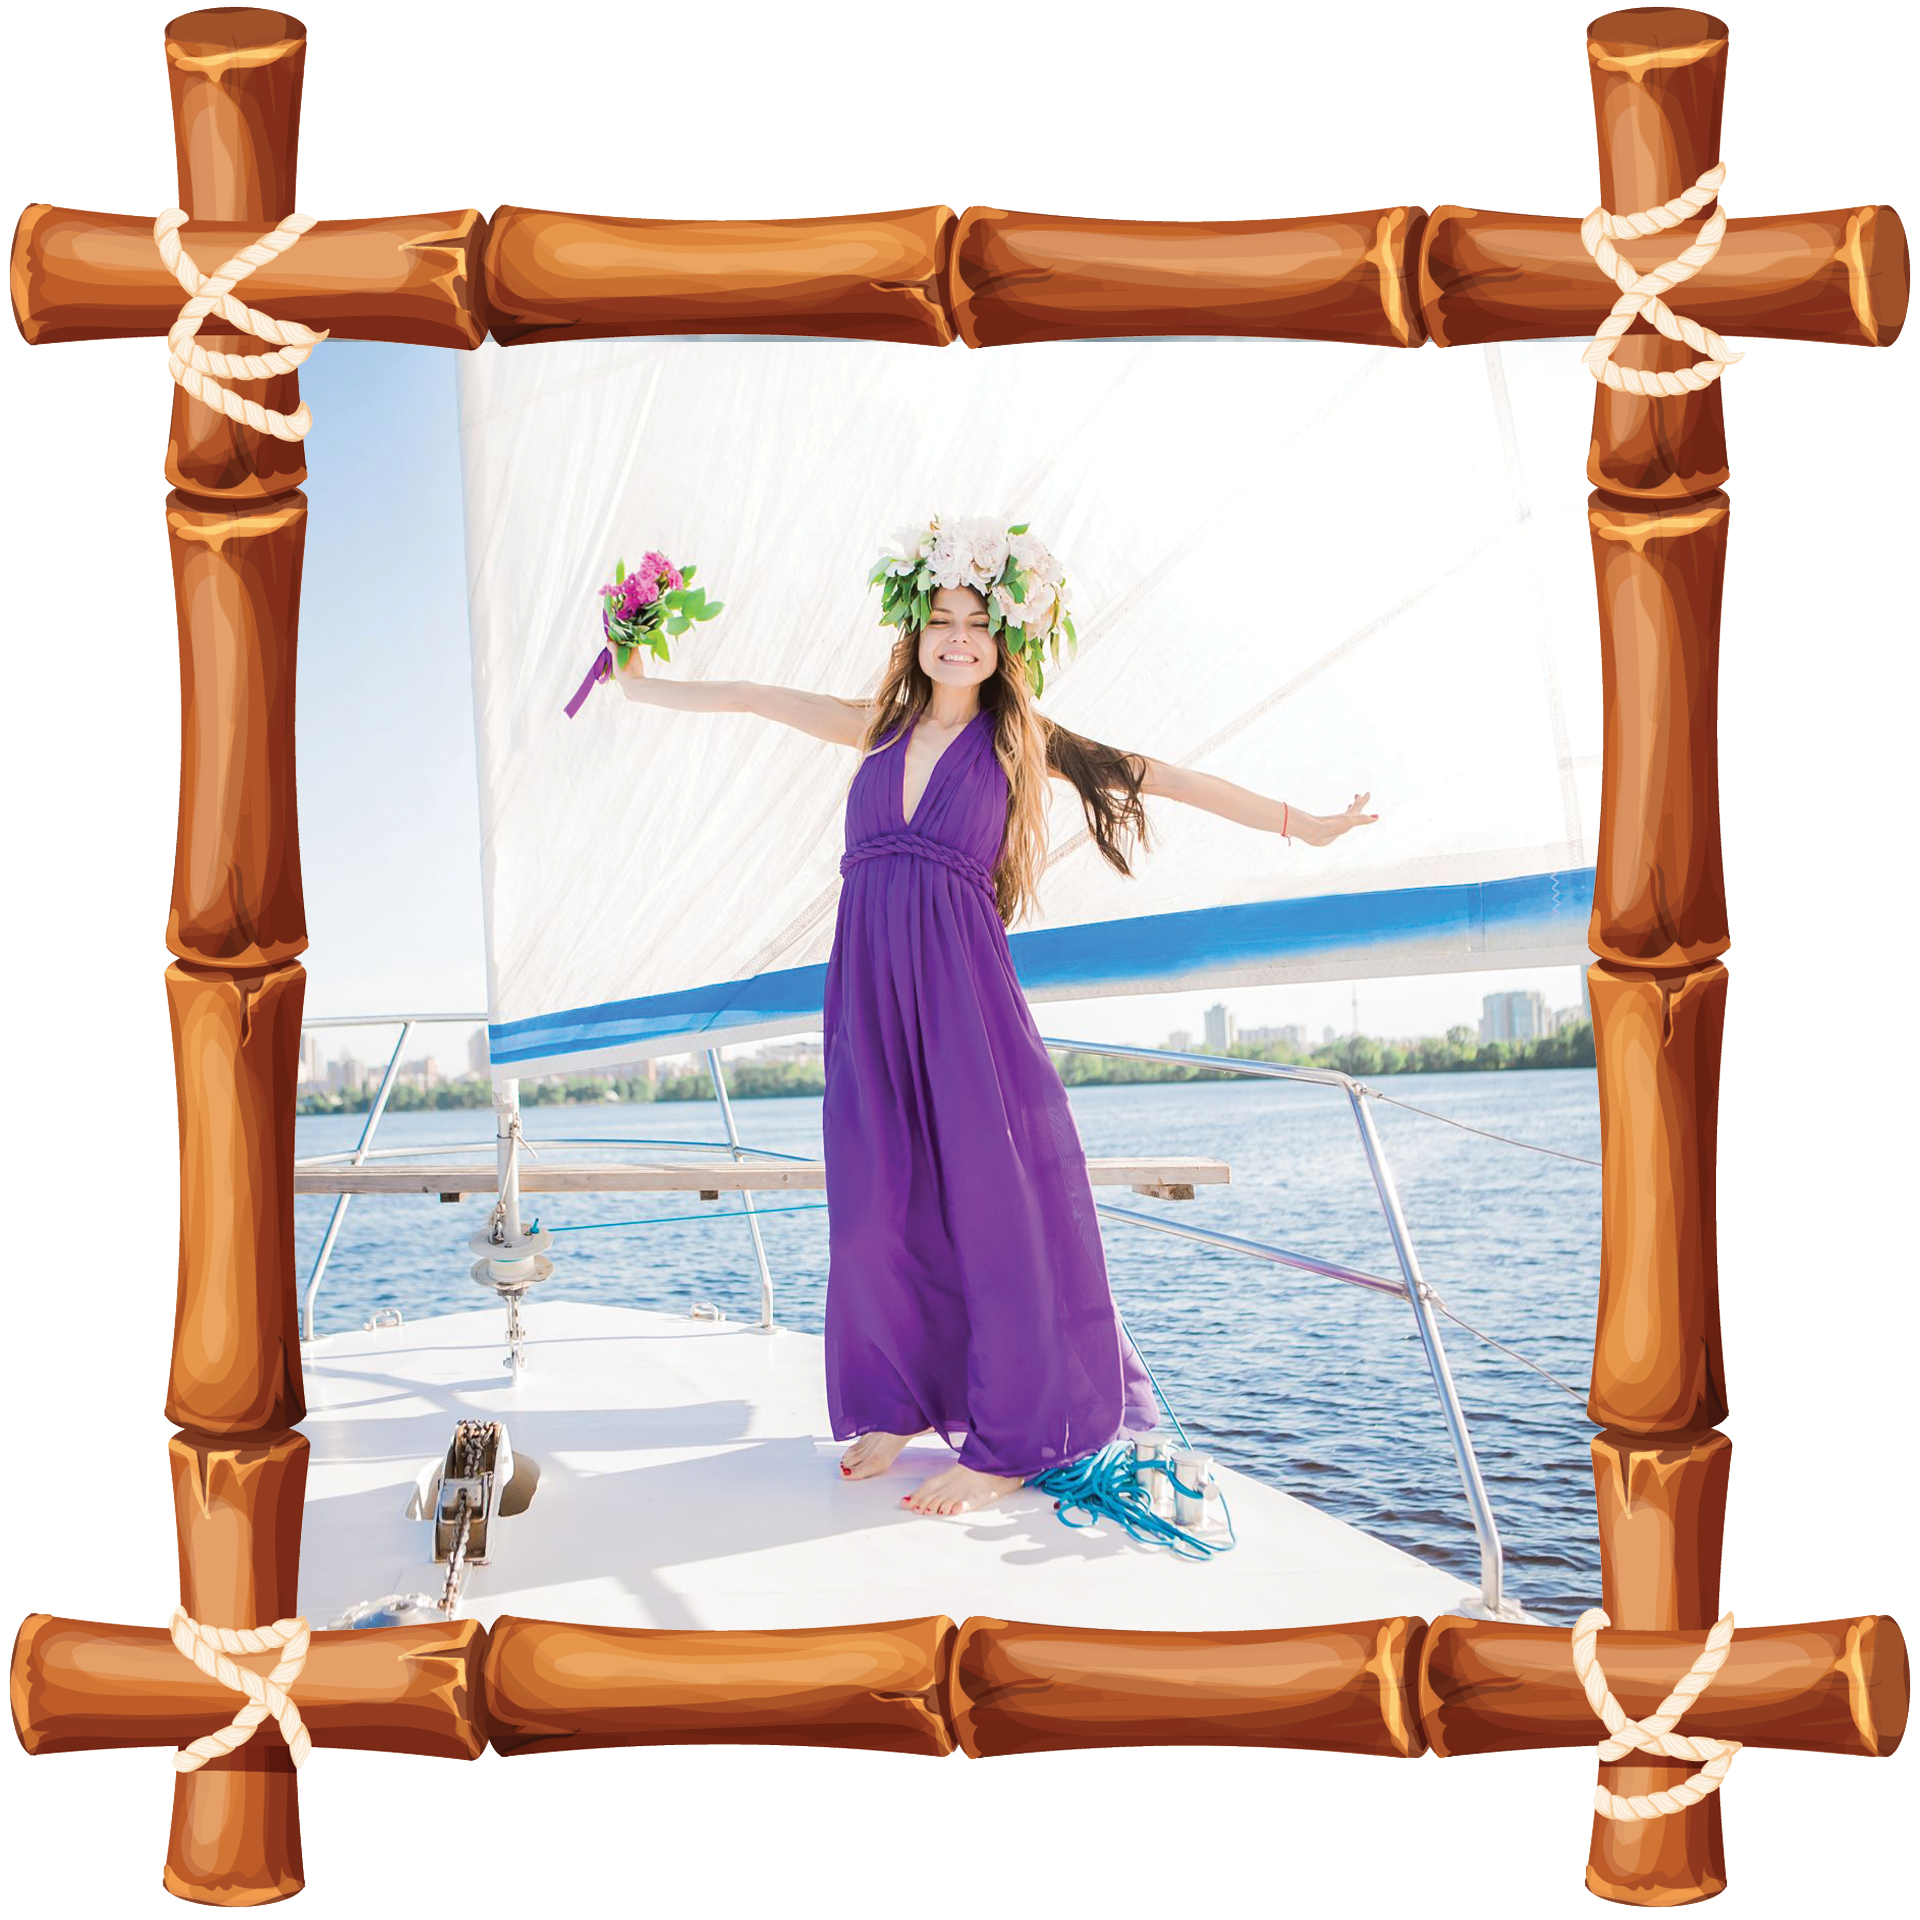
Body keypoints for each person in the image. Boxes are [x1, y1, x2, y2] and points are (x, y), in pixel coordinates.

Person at [613, 516, 1376, 1517]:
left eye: (978, 622)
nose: (959, 637)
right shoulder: (876, 726)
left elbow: (1163, 776)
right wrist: (634, 678)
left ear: (1005, 638)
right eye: (942, 619)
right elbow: (751, 696)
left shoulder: (1021, 741)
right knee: (876, 1203)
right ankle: (901, 1402)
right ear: (916, 631)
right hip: (870, 991)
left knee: (992, 1203)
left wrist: (1301, 824)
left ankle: (1011, 1440)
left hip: (962, 995)